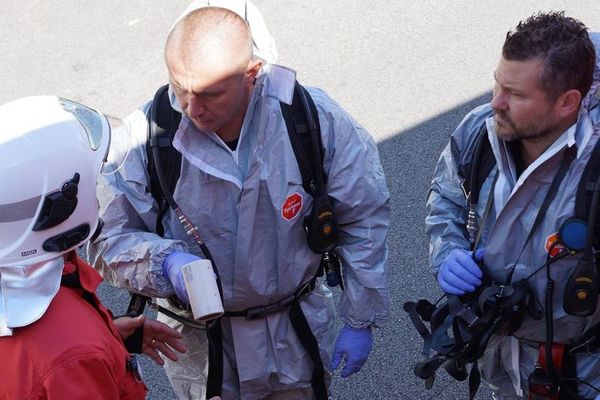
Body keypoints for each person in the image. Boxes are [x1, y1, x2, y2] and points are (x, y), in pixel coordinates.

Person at [88, 5, 390, 400]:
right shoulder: (148, 137)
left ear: (252, 74)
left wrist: (360, 317)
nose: (192, 108)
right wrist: (164, 263)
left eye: (209, 94)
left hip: (293, 335)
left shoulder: (313, 119)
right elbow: (104, 238)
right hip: (204, 348)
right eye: (180, 88)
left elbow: (363, 217)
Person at [426, 12, 600, 399]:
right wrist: (448, 253)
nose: (495, 103)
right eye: (496, 84)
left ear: (568, 102)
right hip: (501, 360)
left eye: (516, 94)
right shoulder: (478, 132)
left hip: (584, 372)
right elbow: (446, 199)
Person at [0, 96, 188, 399]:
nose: (99, 188)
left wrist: (109, 337)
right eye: (92, 178)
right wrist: (90, 349)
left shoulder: (21, 276)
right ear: (60, 207)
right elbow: (58, 358)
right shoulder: (73, 356)